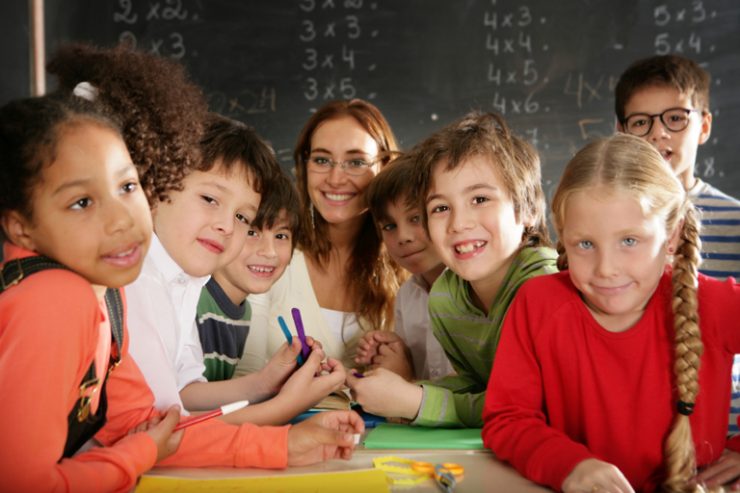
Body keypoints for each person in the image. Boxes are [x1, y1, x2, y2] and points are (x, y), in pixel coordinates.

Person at [0, 93, 364, 493]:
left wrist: (285, 444)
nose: (121, 217)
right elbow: (27, 482)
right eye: (82, 202)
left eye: (127, 187)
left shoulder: (107, 296)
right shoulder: (58, 297)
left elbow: (153, 425)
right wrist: (139, 454)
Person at [482, 133, 740, 493]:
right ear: (564, 236)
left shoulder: (713, 303)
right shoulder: (537, 304)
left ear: (672, 235)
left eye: (629, 241)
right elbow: (508, 419)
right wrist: (570, 466)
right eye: (585, 244)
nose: (606, 268)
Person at [348, 111, 558, 427]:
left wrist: (414, 400)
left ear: (526, 209)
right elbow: (477, 388)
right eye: (441, 208)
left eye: (480, 198)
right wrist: (401, 391)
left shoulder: (547, 291)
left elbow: (530, 405)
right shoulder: (446, 298)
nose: (459, 223)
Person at [615, 53, 740, 439]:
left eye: (675, 118)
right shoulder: (603, 220)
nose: (658, 134)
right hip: (626, 427)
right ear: (621, 132)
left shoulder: (736, 221)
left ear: (703, 125)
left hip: (721, 429)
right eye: (641, 122)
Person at [243, 99, 405, 372]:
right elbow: (243, 375)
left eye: (356, 162)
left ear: (384, 167)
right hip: (271, 416)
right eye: (321, 160)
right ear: (304, 166)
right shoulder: (271, 255)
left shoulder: (408, 266)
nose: (335, 178)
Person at [196, 159, 344, 425]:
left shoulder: (242, 310)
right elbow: (176, 407)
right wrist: (283, 400)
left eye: (281, 236)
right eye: (252, 231)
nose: (269, 252)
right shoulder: (195, 304)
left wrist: (272, 382)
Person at [354, 151, 452, 381]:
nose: (403, 237)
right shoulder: (407, 296)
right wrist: (393, 352)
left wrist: (404, 381)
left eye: (416, 218)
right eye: (389, 226)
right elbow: (409, 370)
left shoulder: (474, 291)